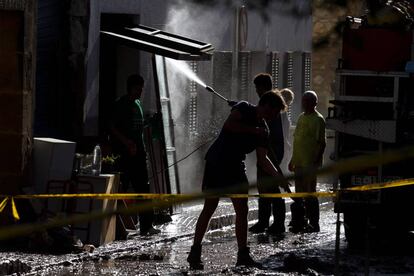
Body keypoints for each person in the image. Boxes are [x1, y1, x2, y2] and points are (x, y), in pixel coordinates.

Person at [187, 91, 287, 269]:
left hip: (236, 166)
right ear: (265, 105)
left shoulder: (264, 130)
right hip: (217, 161)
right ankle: (195, 252)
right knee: (210, 207)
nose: (274, 116)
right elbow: (229, 125)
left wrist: (279, 177)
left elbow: (263, 160)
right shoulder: (244, 108)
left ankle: (243, 254)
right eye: (274, 112)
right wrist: (252, 130)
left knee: (242, 209)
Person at [109, 74, 160, 236]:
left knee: (143, 189)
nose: (141, 91)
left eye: (142, 88)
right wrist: (127, 143)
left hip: (139, 154)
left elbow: (137, 126)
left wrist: (149, 122)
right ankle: (112, 227)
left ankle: (146, 226)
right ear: (130, 88)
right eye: (138, 88)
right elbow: (113, 127)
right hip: (124, 155)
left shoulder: (138, 104)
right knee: (120, 187)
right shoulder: (121, 104)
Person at [248, 73, 286, 235]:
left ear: (263, 87)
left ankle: (277, 223)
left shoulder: (270, 105)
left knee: (272, 190)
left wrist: (271, 157)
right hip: (268, 152)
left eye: (257, 87)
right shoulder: (270, 103)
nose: (256, 91)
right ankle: (264, 222)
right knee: (265, 188)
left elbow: (272, 134)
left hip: (270, 153)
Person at [288, 90, 326, 233]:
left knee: (310, 194)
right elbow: (297, 140)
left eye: (308, 101)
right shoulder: (301, 118)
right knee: (299, 195)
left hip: (310, 164)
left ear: (314, 103)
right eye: (304, 101)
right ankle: (300, 221)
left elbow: (321, 143)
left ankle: (314, 223)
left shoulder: (318, 119)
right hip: (299, 163)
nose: (305, 104)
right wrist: (292, 160)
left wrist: (314, 162)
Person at [279, 88, 295, 174]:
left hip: (282, 143)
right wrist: (286, 143)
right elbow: (282, 131)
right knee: (282, 166)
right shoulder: (282, 113)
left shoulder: (280, 112)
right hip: (281, 144)